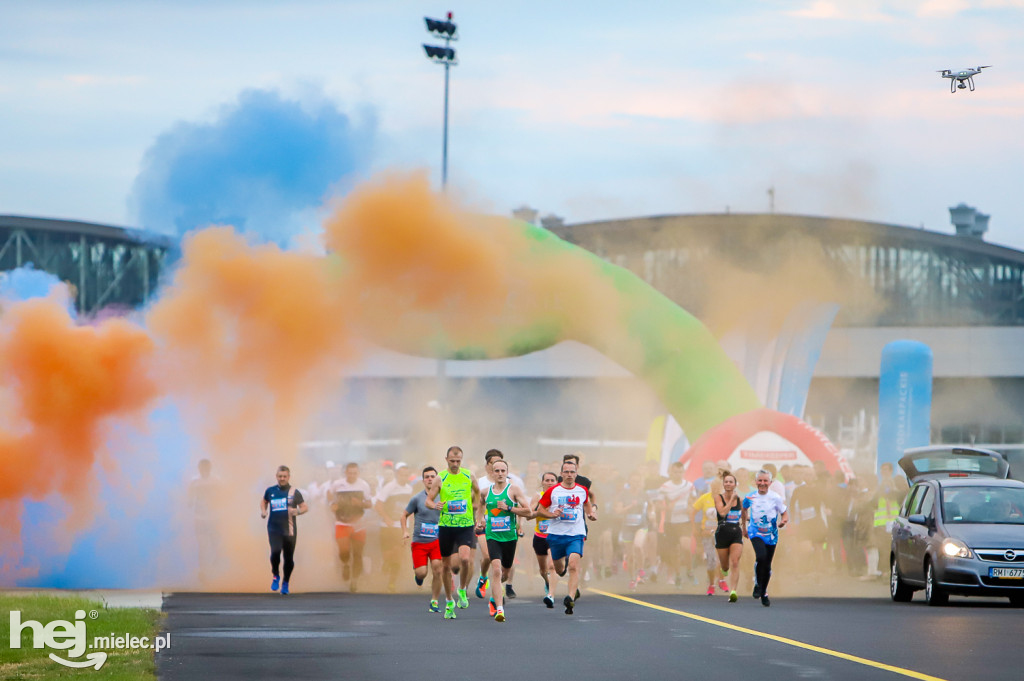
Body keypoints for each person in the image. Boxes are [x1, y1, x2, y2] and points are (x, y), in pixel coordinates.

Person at [426, 446, 482, 620]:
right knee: (446, 565)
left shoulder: (468, 475)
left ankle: (462, 589)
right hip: (446, 526)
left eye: (458, 461)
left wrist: (476, 508)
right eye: (452, 461)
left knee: (465, 559)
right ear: (446, 460)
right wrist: (434, 505)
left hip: (465, 525)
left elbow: (478, 492)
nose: (456, 464)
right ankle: (449, 601)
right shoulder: (440, 477)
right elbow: (428, 499)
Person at [535, 459, 597, 615]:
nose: (569, 475)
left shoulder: (582, 490)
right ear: (561, 474)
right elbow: (541, 509)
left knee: (574, 566)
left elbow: (587, 503)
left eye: (572, 472)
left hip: (576, 533)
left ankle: (570, 597)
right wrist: (551, 514)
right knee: (559, 569)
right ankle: (564, 575)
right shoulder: (553, 491)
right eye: (566, 472)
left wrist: (590, 513)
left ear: (576, 474)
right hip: (556, 534)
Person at [478, 459, 533, 622]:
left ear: (507, 472)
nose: (500, 473)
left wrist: (509, 508)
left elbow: (528, 512)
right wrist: (479, 521)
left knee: (505, 573)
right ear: (492, 473)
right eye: (497, 471)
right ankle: (499, 609)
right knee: (496, 570)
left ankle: (494, 597)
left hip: (509, 537)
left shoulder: (514, 489)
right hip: (492, 535)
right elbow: (480, 507)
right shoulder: (485, 492)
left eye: (503, 470)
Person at [742, 469, 789, 607]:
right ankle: (757, 583)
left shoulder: (775, 497)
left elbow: (785, 513)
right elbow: (743, 510)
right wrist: (744, 528)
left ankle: (764, 591)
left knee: (767, 566)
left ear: (770, 482)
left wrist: (783, 521)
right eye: (760, 481)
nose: (762, 483)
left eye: (765, 481)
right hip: (755, 532)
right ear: (755, 482)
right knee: (760, 556)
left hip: (771, 534)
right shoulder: (750, 497)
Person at [259, 465, 308, 595]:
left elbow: (304, 507)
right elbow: (264, 501)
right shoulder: (270, 490)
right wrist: (264, 511)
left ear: (288, 477)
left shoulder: (294, 492)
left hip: (289, 529)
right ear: (276, 477)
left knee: (288, 557)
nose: (282, 479)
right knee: (275, 552)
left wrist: (296, 511)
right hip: (274, 528)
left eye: (284, 476)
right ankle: (275, 575)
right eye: (280, 476)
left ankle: (285, 582)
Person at [402, 466, 444, 613]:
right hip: (419, 541)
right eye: (427, 477)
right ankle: (418, 578)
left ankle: (434, 600)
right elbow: (404, 515)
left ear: (437, 479)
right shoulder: (417, 498)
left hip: (437, 541)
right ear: (423, 480)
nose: (430, 479)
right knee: (422, 573)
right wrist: (405, 531)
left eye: (433, 476)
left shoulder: (443, 496)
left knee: (438, 569)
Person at [330, 462, 373, 592]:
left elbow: (369, 504)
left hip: (359, 523)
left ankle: (354, 581)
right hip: (342, 522)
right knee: (344, 551)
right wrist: (333, 507)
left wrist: (360, 503)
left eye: (355, 473)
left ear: (358, 473)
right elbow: (331, 501)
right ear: (345, 473)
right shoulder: (337, 485)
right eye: (350, 473)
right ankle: (345, 564)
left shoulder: (363, 485)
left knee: (358, 554)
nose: (352, 475)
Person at [375, 462, 414, 593]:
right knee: (388, 555)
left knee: (398, 554)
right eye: (402, 475)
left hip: (402, 528)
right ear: (397, 475)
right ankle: (385, 564)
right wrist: (386, 518)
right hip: (387, 527)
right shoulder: (389, 487)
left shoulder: (409, 489)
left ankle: (392, 582)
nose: (404, 477)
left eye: (406, 475)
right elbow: (378, 505)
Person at [656, 461, 696, 587]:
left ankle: (689, 570)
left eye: (680, 472)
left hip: (684, 522)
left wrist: (690, 508)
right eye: (675, 472)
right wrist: (667, 507)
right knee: (674, 552)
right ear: (670, 472)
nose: (677, 474)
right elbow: (657, 506)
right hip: (670, 523)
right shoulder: (664, 487)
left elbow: (694, 502)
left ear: (683, 472)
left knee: (685, 546)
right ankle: (678, 575)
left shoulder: (689, 486)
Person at [188, 458, 223, 585]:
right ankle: (203, 572)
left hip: (214, 517)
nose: (204, 470)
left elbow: (223, 496)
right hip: (200, 518)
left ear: (210, 468)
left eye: (206, 468)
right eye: (202, 468)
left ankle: (216, 566)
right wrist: (190, 502)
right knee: (202, 545)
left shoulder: (216, 481)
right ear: (199, 469)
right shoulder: (194, 481)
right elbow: (190, 497)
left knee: (216, 544)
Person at [713, 471, 745, 602]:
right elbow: (721, 512)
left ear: (735, 484)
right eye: (726, 481)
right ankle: (723, 570)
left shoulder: (740, 500)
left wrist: (745, 529)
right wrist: (731, 499)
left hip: (735, 532)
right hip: (722, 532)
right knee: (725, 566)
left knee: (735, 562)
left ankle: (733, 591)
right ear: (723, 484)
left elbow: (743, 514)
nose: (728, 484)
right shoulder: (718, 498)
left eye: (731, 482)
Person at [692, 477, 726, 596]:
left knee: (722, 560)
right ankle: (711, 584)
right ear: (710, 487)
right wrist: (694, 528)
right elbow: (693, 510)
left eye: (718, 487)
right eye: (714, 487)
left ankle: (721, 580)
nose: (716, 489)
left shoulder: (725, 499)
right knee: (711, 560)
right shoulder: (705, 498)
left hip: (721, 533)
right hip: (707, 534)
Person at [531, 471, 560, 607]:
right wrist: (542, 509)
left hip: (554, 537)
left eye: (552, 480)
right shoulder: (538, 496)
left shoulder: (559, 496)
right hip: (540, 537)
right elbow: (529, 514)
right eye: (547, 480)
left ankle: (551, 595)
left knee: (552, 565)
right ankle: (547, 582)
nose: (549, 483)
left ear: (556, 482)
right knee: (543, 570)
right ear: (542, 482)